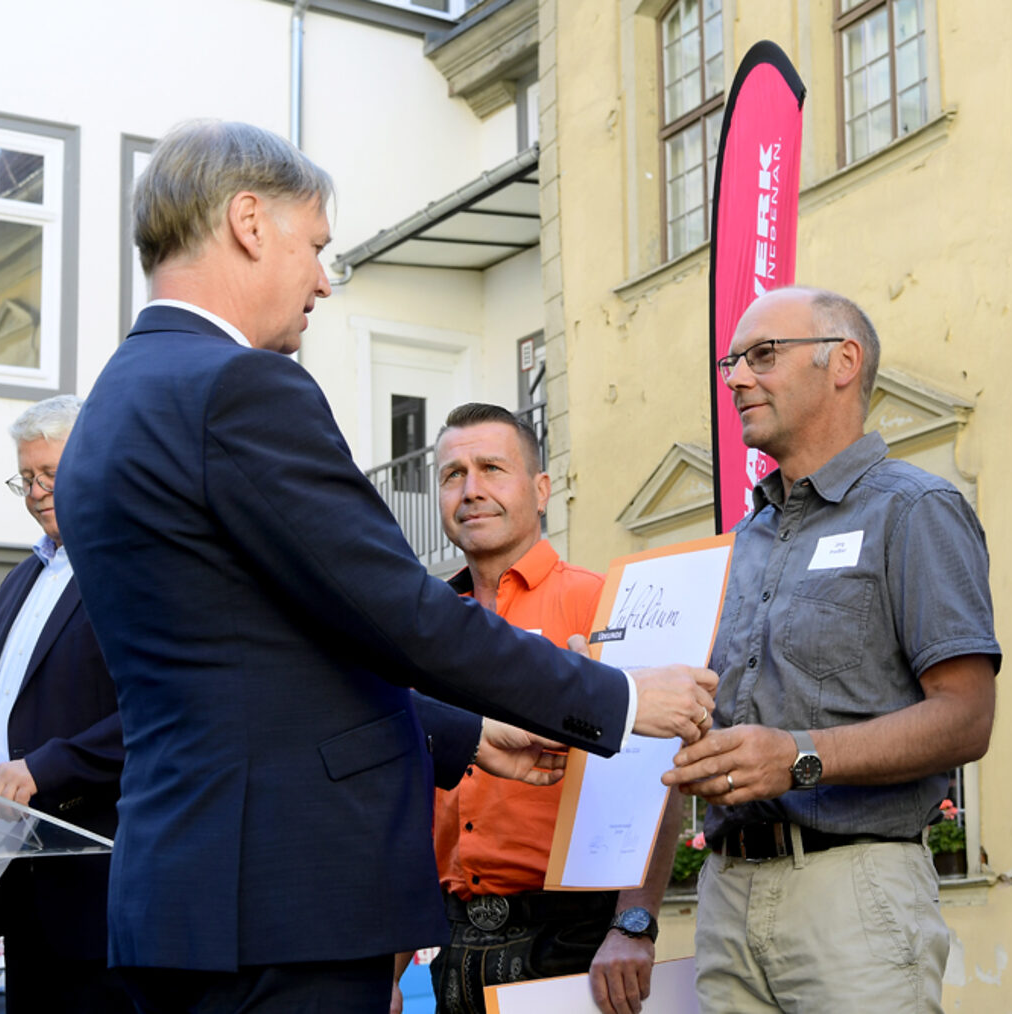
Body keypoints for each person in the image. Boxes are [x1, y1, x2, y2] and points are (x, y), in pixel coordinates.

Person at [53, 120, 717, 1013]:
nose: (323, 280)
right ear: (249, 223)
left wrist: (467, 734)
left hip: (184, 898)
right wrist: (623, 699)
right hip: (286, 907)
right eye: (315, 246)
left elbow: (260, 652)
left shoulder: (108, 411)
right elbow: (398, 612)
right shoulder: (240, 387)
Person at [663, 286, 1003, 1013]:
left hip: (853, 896)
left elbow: (967, 718)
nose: (736, 379)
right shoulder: (742, 541)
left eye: (762, 355)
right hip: (724, 895)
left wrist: (799, 757)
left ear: (843, 362)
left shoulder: (914, 509)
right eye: (731, 362)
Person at [404, 403, 681, 1014]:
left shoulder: (601, 604)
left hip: (575, 941)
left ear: (542, 489)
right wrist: (391, 970)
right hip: (451, 942)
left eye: (492, 468)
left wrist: (633, 924)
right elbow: (407, 800)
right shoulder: (422, 628)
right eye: (453, 475)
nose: (471, 490)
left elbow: (654, 776)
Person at [0, 396, 130, 1013]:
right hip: (18, 883)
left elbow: (167, 707)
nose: (38, 492)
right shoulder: (20, 578)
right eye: (27, 477)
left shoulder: (134, 567)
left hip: (96, 888)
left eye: (52, 473)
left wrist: (49, 766)